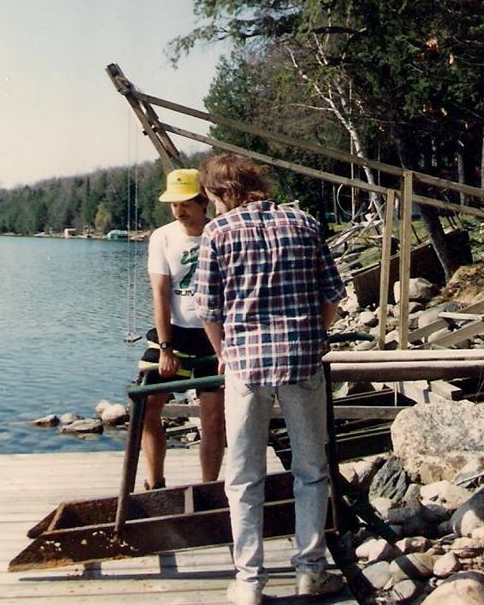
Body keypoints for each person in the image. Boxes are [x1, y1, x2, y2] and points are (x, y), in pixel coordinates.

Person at [193, 154, 347, 605]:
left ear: (219, 193)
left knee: (243, 477)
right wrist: (311, 336)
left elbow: (208, 309)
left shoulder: (217, 233)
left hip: (245, 365)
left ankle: (249, 581)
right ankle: (310, 571)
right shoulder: (303, 223)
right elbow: (332, 298)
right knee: (312, 471)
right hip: (302, 361)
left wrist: (223, 353)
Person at [137, 168, 225, 491]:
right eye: (173, 205)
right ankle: (154, 483)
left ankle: (207, 488)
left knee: (214, 418)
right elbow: (160, 292)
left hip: (212, 337)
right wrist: (165, 346)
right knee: (146, 407)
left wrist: (225, 347)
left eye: (185, 203)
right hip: (175, 334)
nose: (179, 211)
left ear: (203, 200)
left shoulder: (220, 232)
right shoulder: (162, 237)